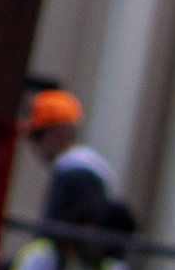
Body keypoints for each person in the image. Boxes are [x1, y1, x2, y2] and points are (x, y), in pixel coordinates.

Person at [24, 89, 118, 226]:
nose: (36, 145)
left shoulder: (76, 172)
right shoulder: (81, 167)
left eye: (38, 135)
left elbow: (69, 232)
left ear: (61, 131)